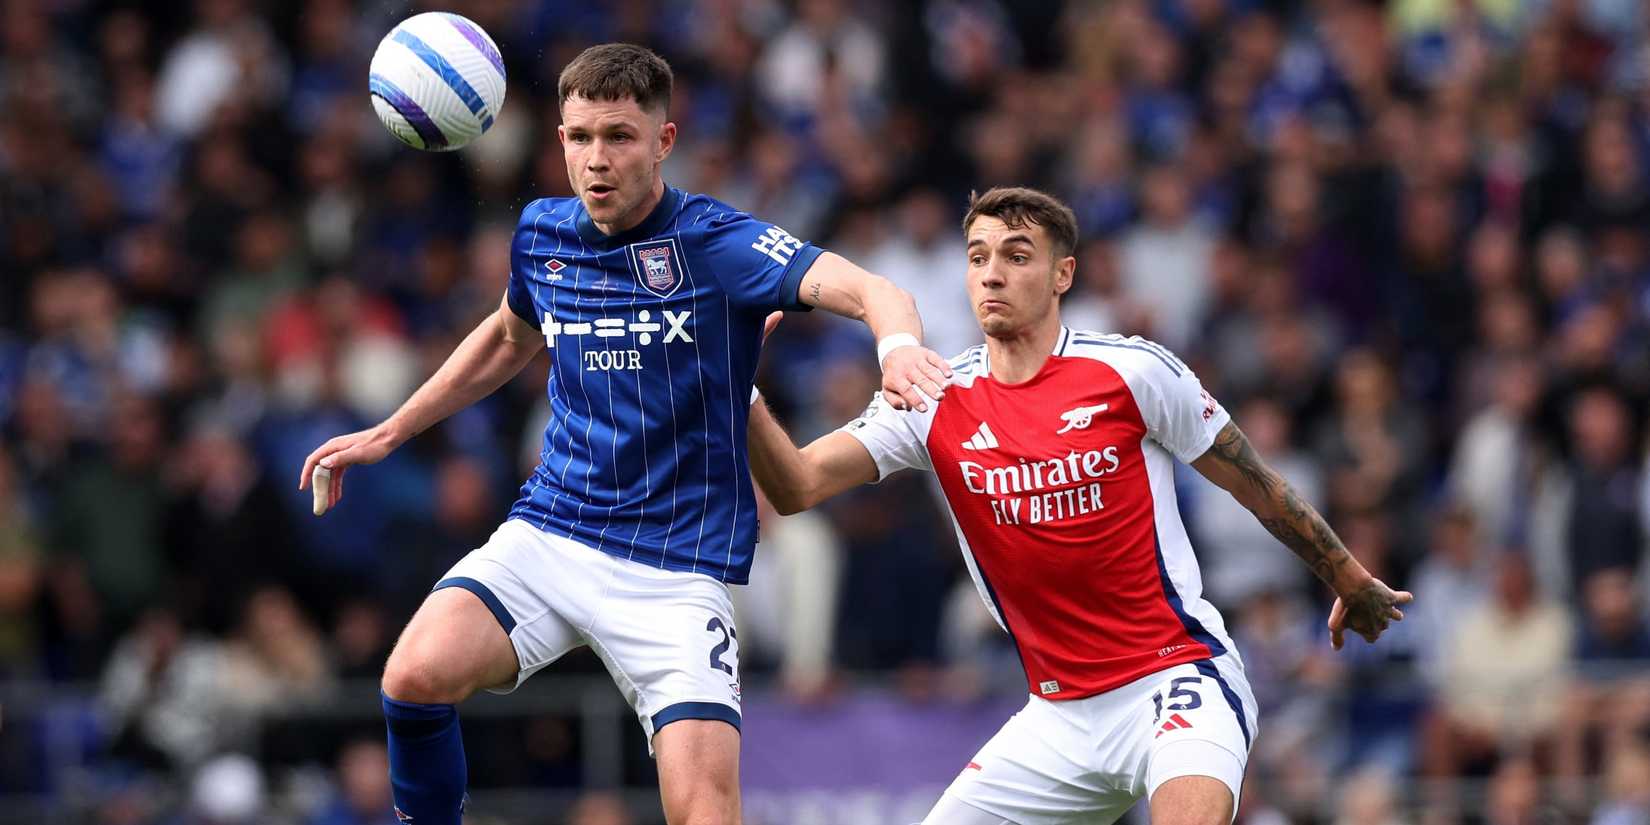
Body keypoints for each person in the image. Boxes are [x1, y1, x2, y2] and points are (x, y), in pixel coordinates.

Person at [298, 44, 950, 825]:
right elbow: (510, 337)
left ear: (664, 142)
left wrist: (898, 347)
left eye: (618, 136)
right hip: (554, 530)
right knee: (412, 675)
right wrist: (391, 430)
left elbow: (873, 288)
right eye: (578, 138)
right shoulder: (543, 234)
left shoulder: (717, 243)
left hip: (674, 569)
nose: (595, 160)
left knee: (704, 811)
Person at [745, 187, 1411, 825]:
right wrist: (738, 389)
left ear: (1063, 273)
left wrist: (1348, 576)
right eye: (977, 257)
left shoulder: (1133, 373)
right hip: (1059, 715)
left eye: (1016, 255)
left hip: (1177, 679)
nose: (992, 275)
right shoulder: (931, 398)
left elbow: (1257, 485)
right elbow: (796, 485)